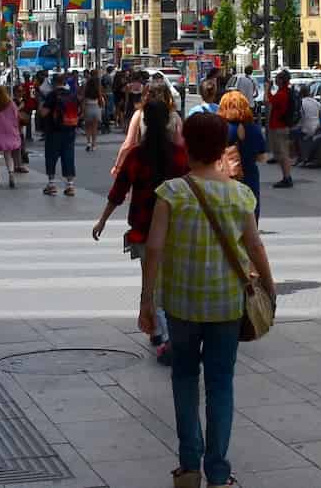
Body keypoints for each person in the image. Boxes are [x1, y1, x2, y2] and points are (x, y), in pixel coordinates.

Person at [139, 111, 277, 488]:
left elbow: (153, 249)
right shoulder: (240, 194)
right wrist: (269, 284)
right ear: (221, 149)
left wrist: (146, 301)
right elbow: (254, 245)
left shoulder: (171, 192)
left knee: (184, 377)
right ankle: (218, 472)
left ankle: (188, 468)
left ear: (186, 145)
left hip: (181, 304)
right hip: (225, 305)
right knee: (221, 384)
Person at [94, 97, 191, 364]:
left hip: (144, 228)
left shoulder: (137, 155)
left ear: (145, 122)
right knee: (170, 281)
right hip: (175, 229)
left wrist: (102, 220)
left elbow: (119, 191)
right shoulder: (180, 155)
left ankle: (160, 333)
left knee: (152, 281)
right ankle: (168, 330)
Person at [218, 89, 266, 220]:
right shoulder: (254, 129)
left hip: (226, 178)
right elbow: (261, 157)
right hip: (250, 178)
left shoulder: (220, 129)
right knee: (250, 216)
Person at [39, 72, 79, 196]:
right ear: (64, 82)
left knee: (51, 156)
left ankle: (51, 185)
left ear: (53, 83)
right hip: (70, 131)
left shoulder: (52, 95)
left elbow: (43, 113)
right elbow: (79, 112)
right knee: (68, 156)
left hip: (54, 131)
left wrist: (41, 104)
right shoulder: (72, 95)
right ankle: (70, 186)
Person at [266, 70, 296, 189]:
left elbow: (267, 101)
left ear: (282, 81)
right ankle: (286, 177)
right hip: (281, 126)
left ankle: (287, 177)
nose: (276, 80)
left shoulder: (282, 94)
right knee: (281, 153)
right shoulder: (284, 92)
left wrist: (267, 88)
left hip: (279, 127)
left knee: (282, 154)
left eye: (278, 78)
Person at [293, 85, 321, 165]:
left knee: (293, 133)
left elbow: (300, 118)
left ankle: (299, 157)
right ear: (310, 92)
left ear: (301, 93)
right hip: (317, 127)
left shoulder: (301, 102)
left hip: (306, 128)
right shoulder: (316, 102)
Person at [82, 72, 104, 152]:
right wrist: (101, 107)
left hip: (88, 107)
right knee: (95, 128)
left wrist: (82, 111)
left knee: (87, 127)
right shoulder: (98, 89)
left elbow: (83, 101)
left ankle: (88, 142)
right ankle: (94, 144)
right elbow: (101, 100)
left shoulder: (86, 89)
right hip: (96, 108)